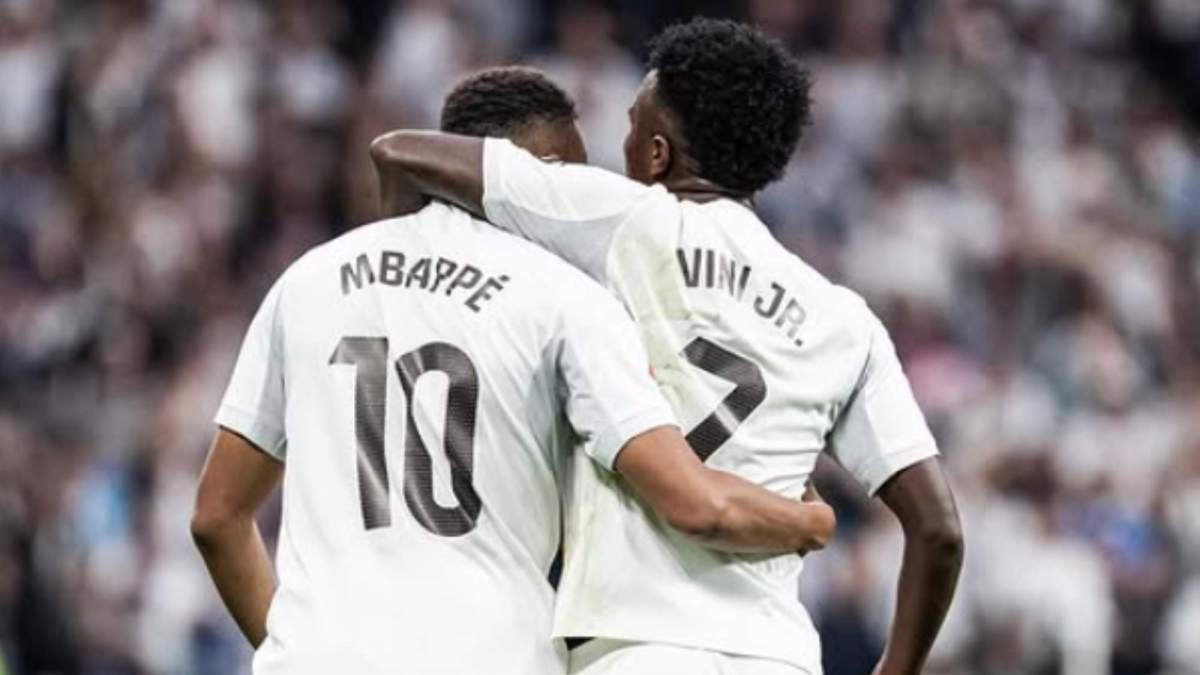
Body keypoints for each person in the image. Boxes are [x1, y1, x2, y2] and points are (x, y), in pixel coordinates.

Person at [191, 66, 836, 675]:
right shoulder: (568, 300)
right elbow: (691, 501)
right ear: (542, 174)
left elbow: (217, 519)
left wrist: (295, 645)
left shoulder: (307, 281)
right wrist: (806, 521)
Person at [369, 18, 963, 675]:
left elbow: (401, 152)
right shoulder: (846, 321)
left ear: (655, 154)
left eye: (629, 125)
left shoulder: (624, 221)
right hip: (779, 654)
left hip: (637, 647)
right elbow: (938, 531)